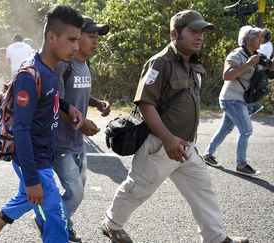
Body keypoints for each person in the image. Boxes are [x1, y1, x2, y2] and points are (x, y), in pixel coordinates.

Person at [101, 10, 249, 243]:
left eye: (201, 32)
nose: (199, 36)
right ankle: (112, 224)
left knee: (203, 190)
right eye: (192, 31)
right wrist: (168, 139)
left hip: (184, 146)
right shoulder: (160, 62)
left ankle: (215, 237)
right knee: (138, 189)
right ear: (174, 34)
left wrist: (186, 138)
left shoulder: (195, 64)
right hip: (160, 143)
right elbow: (146, 104)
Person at [0, 5, 84, 243]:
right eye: (72, 39)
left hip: (43, 155)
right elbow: (20, 129)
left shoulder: (50, 67)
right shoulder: (30, 74)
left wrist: (67, 107)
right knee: (56, 220)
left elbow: (48, 98)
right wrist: (33, 179)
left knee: (25, 198)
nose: (76, 46)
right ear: (52, 37)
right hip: (34, 160)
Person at [30, 15, 111, 243]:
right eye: (90, 36)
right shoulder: (64, 65)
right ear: (76, 37)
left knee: (78, 189)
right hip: (60, 141)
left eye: (97, 37)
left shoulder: (85, 63)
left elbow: (78, 92)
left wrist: (96, 103)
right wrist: (82, 122)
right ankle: (52, 224)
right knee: (75, 193)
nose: (95, 41)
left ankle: (60, 223)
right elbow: (55, 102)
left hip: (78, 141)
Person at [203, 25, 274, 176]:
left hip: (239, 99)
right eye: (258, 36)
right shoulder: (236, 55)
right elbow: (227, 75)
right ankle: (241, 165)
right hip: (231, 99)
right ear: (248, 39)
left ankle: (207, 155)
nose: (261, 39)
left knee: (225, 129)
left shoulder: (256, 54)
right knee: (246, 130)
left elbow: (269, 69)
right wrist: (248, 64)